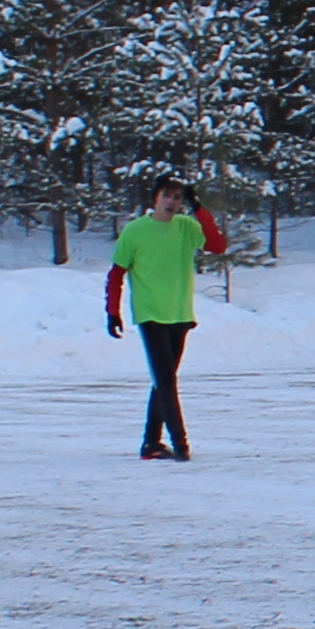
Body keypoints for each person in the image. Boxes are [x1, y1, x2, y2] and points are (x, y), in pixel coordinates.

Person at [109, 175, 220, 460]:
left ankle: (151, 443)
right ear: (155, 199)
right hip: (151, 314)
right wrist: (112, 312)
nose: (172, 203)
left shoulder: (187, 227)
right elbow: (117, 273)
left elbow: (217, 246)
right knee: (167, 382)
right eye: (167, 196)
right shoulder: (135, 231)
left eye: (177, 197)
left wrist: (198, 208)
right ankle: (180, 443)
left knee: (164, 379)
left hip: (179, 314)